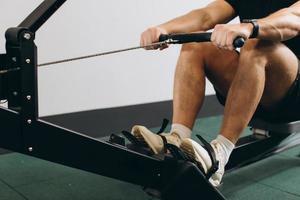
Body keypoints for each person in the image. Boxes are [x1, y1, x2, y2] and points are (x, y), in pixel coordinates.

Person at [131, 0, 300, 186]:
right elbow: (207, 15)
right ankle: (176, 138)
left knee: (256, 45)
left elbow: (293, 18)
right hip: (253, 85)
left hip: (293, 99)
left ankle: (219, 155)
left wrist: (250, 27)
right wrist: (163, 28)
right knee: (195, 41)